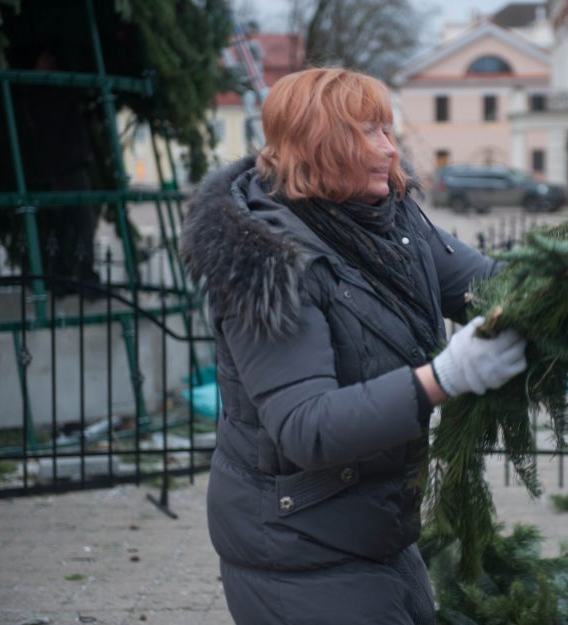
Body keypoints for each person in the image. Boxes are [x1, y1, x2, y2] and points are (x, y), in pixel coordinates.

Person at [179, 67, 527, 625]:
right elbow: (306, 426)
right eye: (369, 133)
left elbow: (489, 283)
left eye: (386, 131)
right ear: (319, 145)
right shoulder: (267, 262)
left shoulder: (390, 221)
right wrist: (444, 378)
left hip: (376, 532)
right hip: (296, 551)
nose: (390, 150)